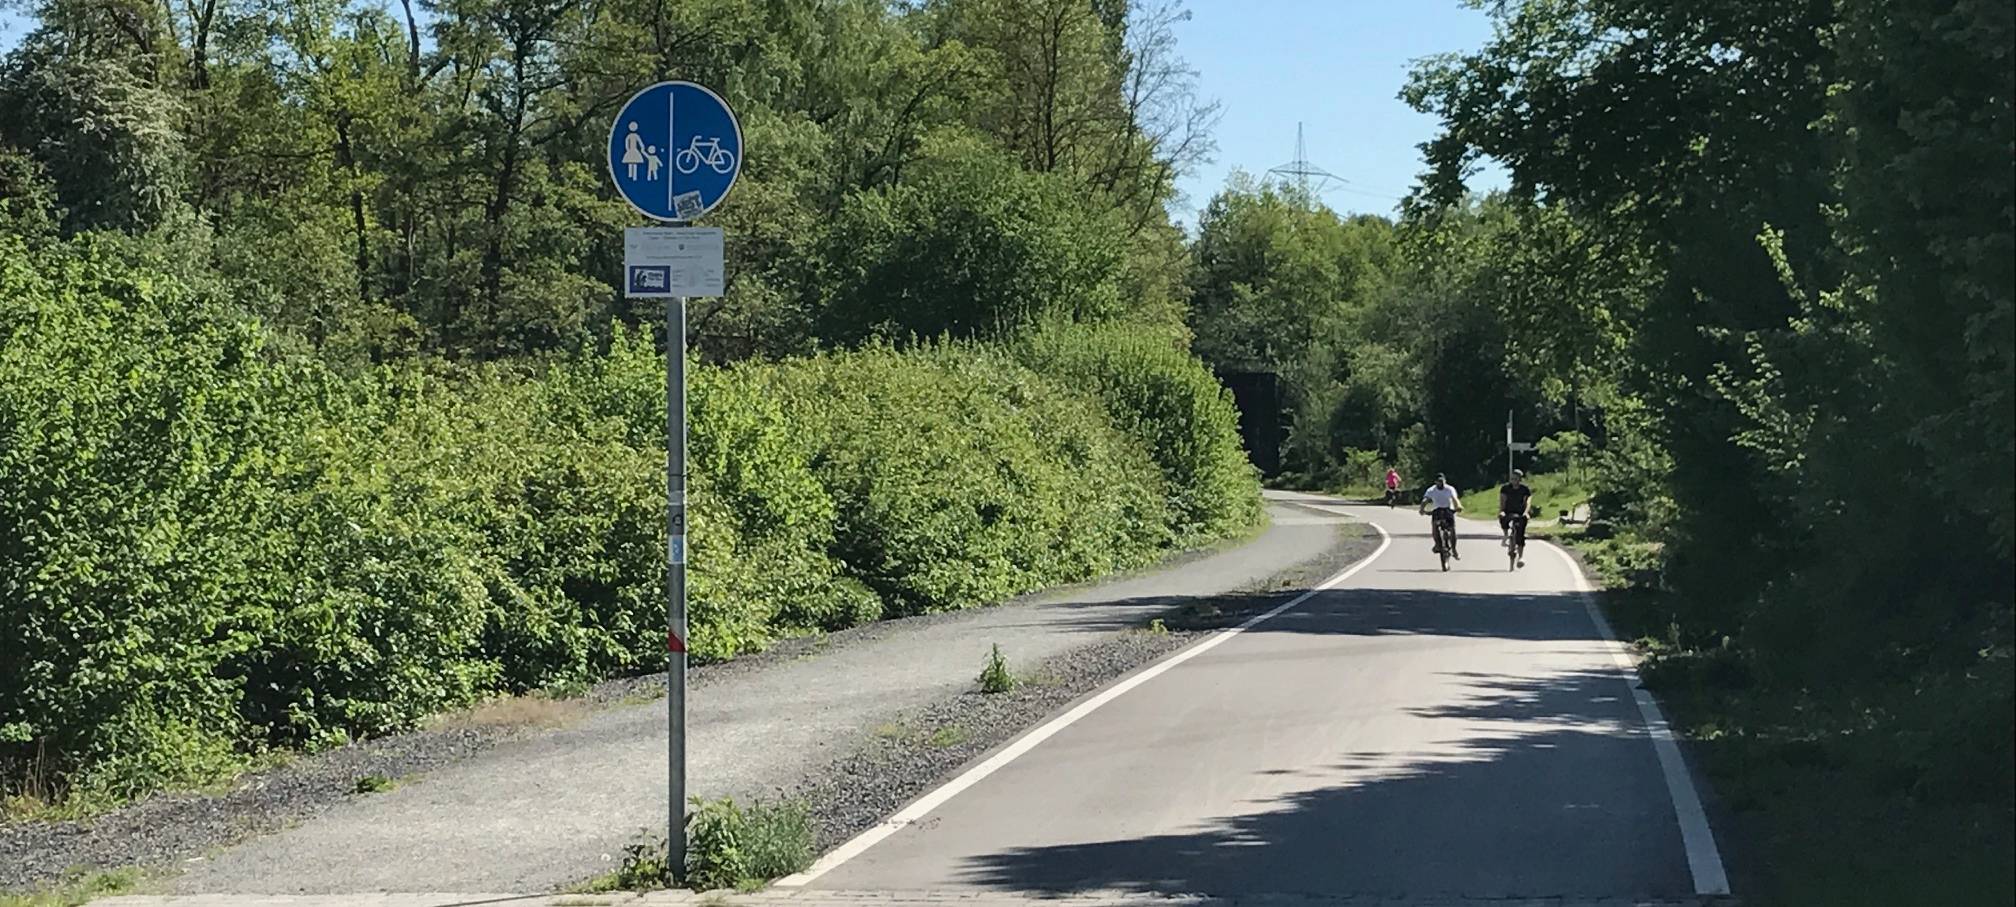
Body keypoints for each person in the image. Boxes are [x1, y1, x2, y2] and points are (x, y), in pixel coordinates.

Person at [1418, 473, 1462, 558]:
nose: (1441, 483)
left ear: (1445, 481)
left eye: (1442, 481)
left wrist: (1458, 506)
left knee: (1452, 529)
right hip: (1437, 510)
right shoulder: (1431, 490)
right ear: (1435, 482)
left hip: (1448, 509)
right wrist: (1422, 509)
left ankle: (1454, 550)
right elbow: (1425, 500)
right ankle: (1437, 544)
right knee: (1434, 526)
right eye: (1439, 481)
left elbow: (1455, 499)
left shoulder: (1449, 489)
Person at [1499, 469, 1534, 567]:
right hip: (1508, 511)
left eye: (1516, 479)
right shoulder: (1505, 488)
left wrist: (1526, 512)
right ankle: (1506, 535)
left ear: (1520, 479)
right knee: (1502, 518)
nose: (1513, 481)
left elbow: (1528, 502)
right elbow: (1502, 501)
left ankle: (1521, 557)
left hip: (1520, 513)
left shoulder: (1525, 489)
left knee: (1520, 534)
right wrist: (1502, 511)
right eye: (1512, 478)